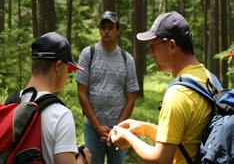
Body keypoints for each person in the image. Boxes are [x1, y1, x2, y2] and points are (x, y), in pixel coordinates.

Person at [109, 11, 216, 164]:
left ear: (172, 46)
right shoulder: (208, 77)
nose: (151, 53)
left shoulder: (178, 94)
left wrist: (129, 138)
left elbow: (160, 159)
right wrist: (144, 128)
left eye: (153, 46)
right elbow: (186, 138)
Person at [11, 32, 91, 164]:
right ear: (58, 66)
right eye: (68, 69)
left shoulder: (11, 103)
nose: (68, 74)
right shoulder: (61, 115)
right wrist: (83, 159)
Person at [75, 11, 139, 164]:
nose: (106, 31)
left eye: (110, 27)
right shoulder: (88, 54)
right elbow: (81, 93)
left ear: (118, 30)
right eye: (103, 27)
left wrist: (118, 128)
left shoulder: (127, 59)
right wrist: (97, 126)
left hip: (118, 130)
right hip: (92, 128)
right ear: (99, 30)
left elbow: (131, 98)